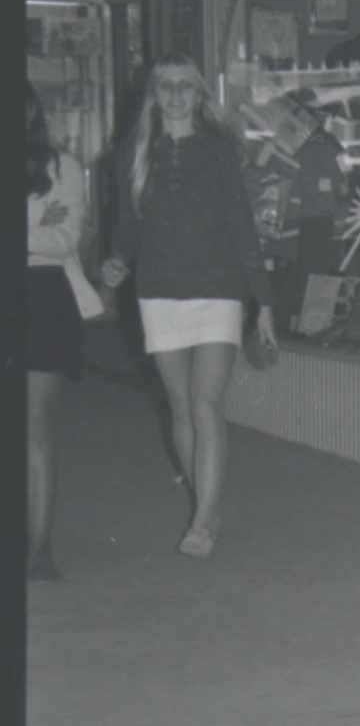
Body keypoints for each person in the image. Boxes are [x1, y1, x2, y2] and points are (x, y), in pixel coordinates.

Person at [101, 55, 278, 561]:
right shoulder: (135, 154)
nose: (176, 94)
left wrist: (263, 302)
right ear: (155, 95)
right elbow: (130, 226)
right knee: (179, 405)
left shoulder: (219, 151)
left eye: (186, 86)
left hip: (218, 288)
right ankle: (207, 503)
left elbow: (242, 227)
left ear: (200, 96)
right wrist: (116, 259)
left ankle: (202, 522)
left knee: (206, 403)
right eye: (166, 86)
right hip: (158, 290)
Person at [26, 86, 98, 582]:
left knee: (34, 423)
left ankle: (38, 548)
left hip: (42, 296)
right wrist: (34, 225)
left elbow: (65, 239)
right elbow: (44, 235)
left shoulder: (64, 168)